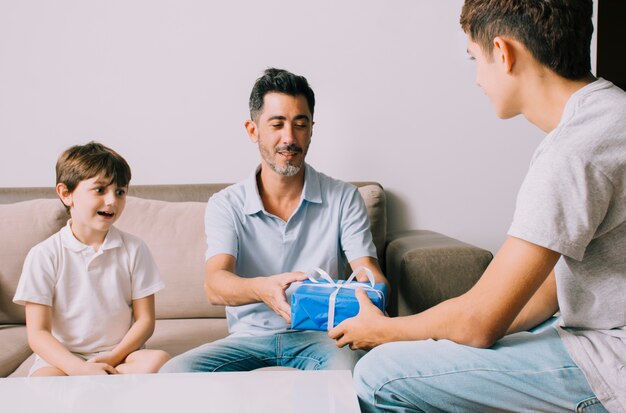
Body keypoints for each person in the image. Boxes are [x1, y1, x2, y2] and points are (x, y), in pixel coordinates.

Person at [330, 1, 626, 411]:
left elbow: (479, 323)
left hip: (610, 360)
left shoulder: (573, 152)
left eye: (475, 58)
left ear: (503, 53)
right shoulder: (611, 113)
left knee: (380, 374)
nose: (477, 79)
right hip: (594, 334)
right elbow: (544, 291)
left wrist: (382, 331)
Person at [160, 68, 388, 373]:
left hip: (322, 337)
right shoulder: (226, 204)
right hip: (247, 339)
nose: (289, 138)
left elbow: (368, 272)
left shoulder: (344, 197)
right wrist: (263, 289)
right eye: (277, 124)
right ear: (253, 131)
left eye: (300, 124)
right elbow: (215, 284)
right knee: (174, 374)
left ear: (311, 130)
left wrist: (376, 297)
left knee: (350, 376)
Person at [13, 142, 170, 376]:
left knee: (160, 361)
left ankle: (104, 384)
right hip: (65, 358)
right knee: (44, 380)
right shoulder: (44, 254)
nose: (112, 201)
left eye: (120, 192)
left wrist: (114, 357)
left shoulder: (135, 249)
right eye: (100, 190)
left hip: (121, 354)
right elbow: (38, 333)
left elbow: (145, 320)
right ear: (66, 194)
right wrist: (78, 368)